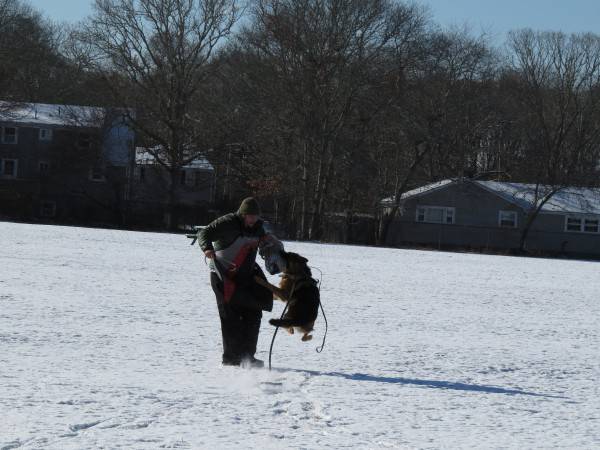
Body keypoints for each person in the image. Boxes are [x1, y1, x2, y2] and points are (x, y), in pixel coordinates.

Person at [197, 197, 274, 367]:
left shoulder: (259, 228)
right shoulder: (227, 222)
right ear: (242, 214)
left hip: (245, 277)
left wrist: (272, 248)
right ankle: (231, 359)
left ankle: (247, 357)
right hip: (222, 276)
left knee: (254, 313)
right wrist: (207, 248)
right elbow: (204, 233)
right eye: (249, 216)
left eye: (255, 216)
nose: (253, 219)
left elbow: (267, 244)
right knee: (230, 316)